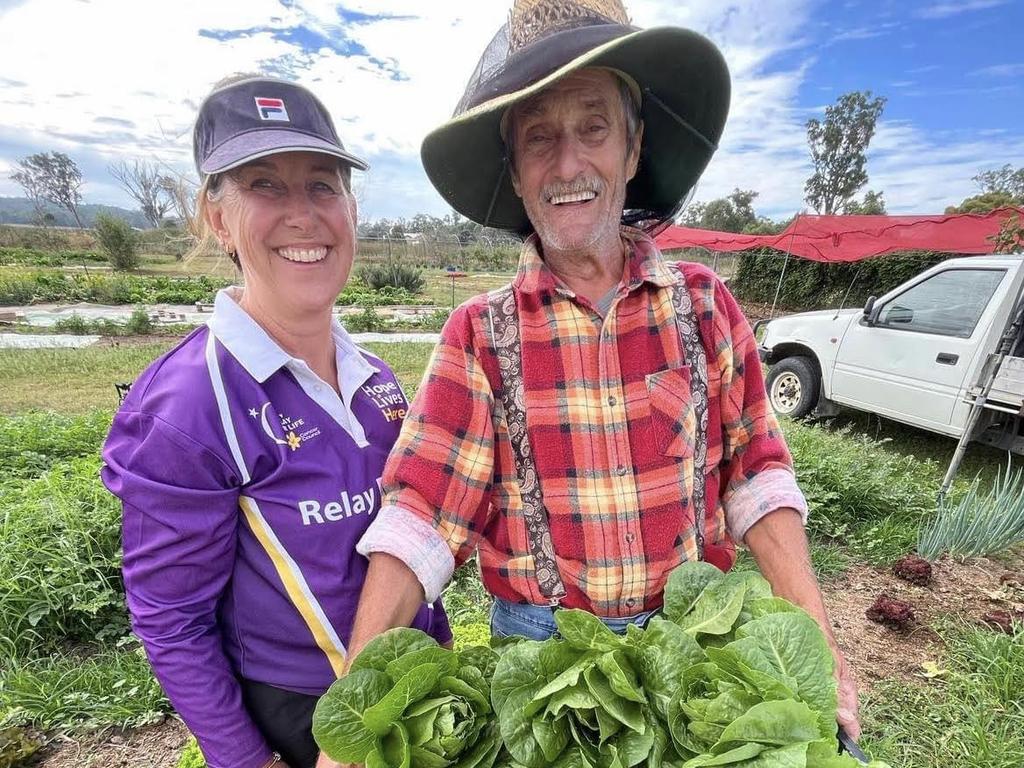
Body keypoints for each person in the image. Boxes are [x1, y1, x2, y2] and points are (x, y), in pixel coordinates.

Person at [342, 1, 859, 763]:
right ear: (515, 173)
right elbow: (423, 512)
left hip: (692, 647)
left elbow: (758, 476)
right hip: (543, 671)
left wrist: (819, 642)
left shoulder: (705, 305)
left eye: (593, 127)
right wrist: (357, 701)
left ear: (633, 145)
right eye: (539, 138)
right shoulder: (481, 335)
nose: (568, 163)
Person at [101, 75, 451, 768]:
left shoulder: (375, 378)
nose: (304, 215)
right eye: (265, 186)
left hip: (418, 692)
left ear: (351, 208)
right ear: (217, 217)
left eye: (323, 185)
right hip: (302, 720)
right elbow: (172, 623)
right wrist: (249, 760)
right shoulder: (188, 405)